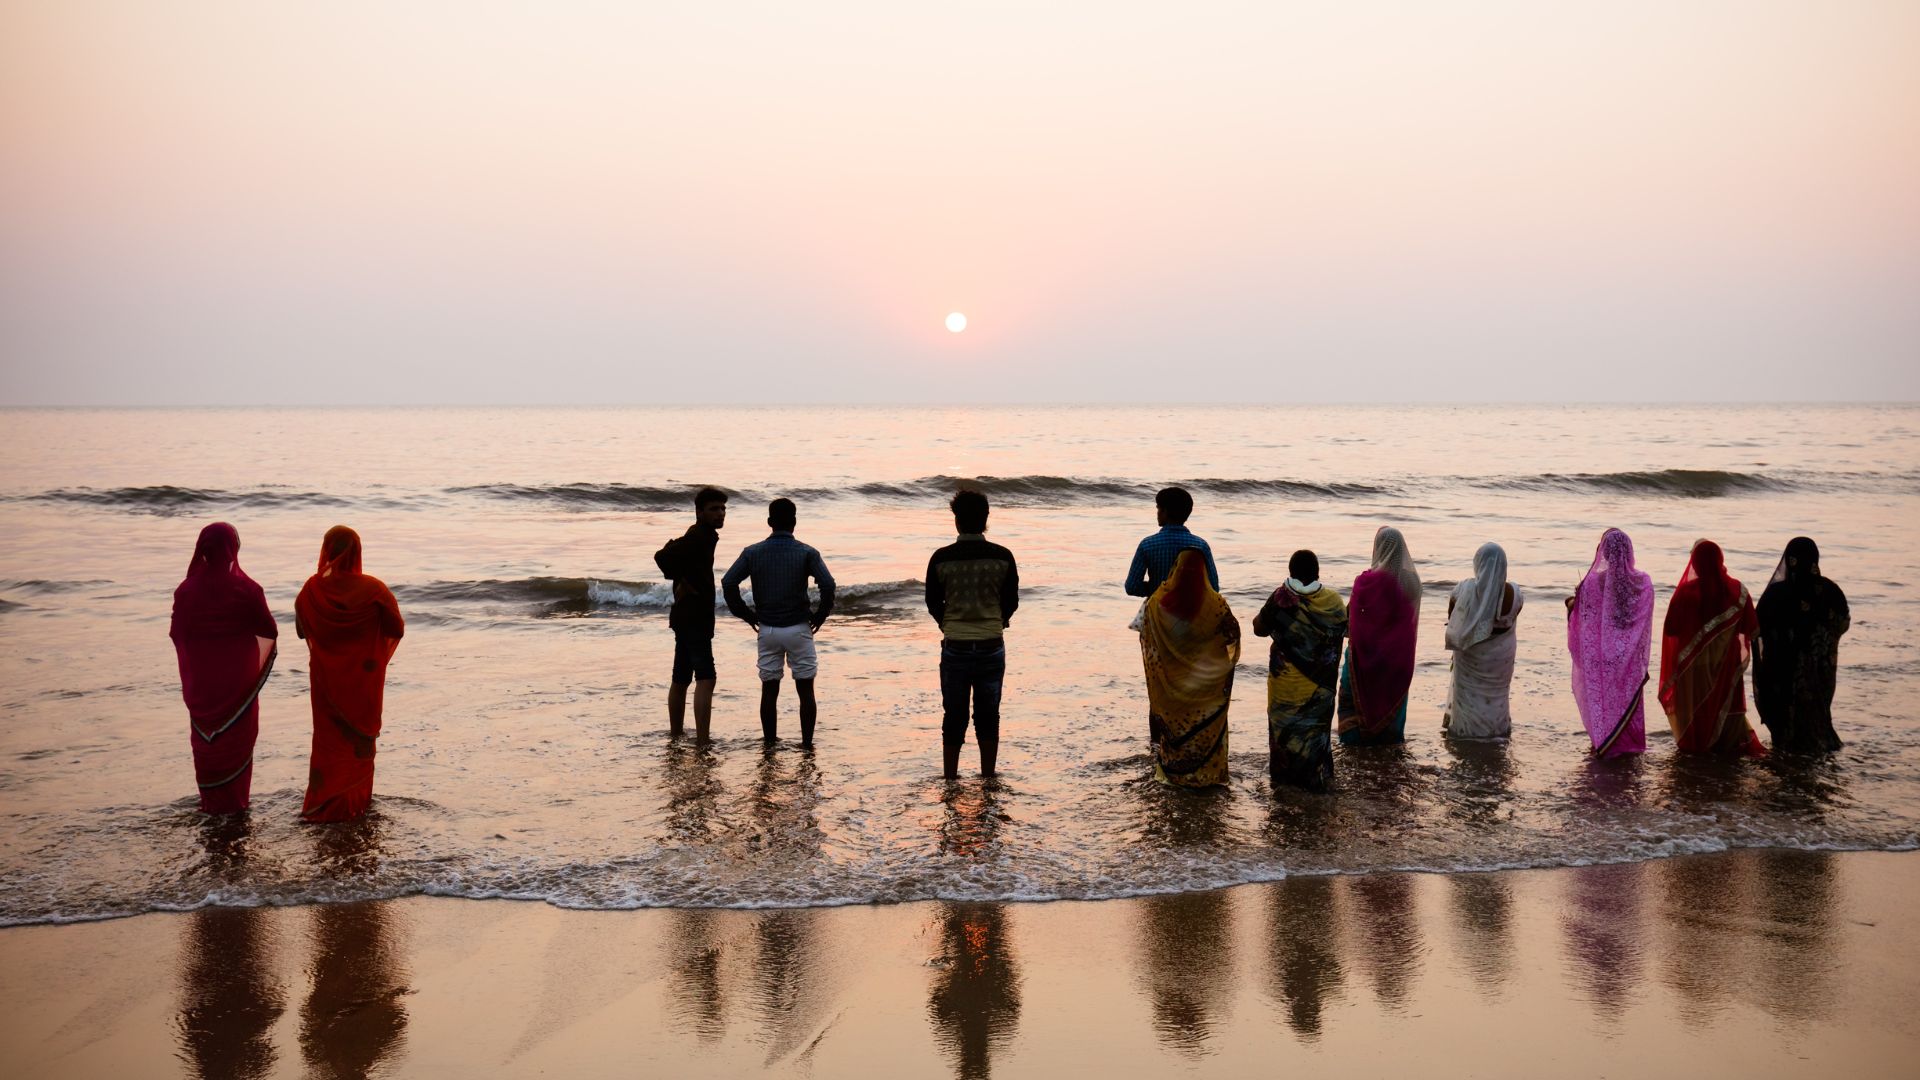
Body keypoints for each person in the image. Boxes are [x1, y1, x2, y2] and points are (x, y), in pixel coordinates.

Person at [296, 526, 404, 823]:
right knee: (358, 746)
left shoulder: (311, 590)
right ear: (357, 552)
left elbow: (300, 629)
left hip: (325, 683)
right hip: (362, 685)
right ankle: (354, 808)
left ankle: (323, 806)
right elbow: (397, 629)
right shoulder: (375, 590)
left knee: (328, 743)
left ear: (326, 552)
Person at [170, 522, 279, 813]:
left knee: (207, 754)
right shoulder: (248, 589)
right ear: (234, 550)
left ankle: (211, 810)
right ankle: (236, 810)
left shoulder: (185, 592)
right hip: (238, 692)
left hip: (202, 691)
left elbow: (177, 635)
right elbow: (269, 631)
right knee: (236, 752)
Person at [722, 497, 836, 748]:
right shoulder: (807, 552)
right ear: (794, 522)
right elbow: (828, 585)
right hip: (798, 627)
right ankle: (807, 745)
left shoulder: (752, 552)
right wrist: (820, 616)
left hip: (768, 628)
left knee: (769, 691)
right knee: (805, 691)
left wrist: (747, 615)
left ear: (769, 522)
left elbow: (728, 583)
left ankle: (770, 744)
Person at [926, 489, 1020, 779]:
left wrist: (948, 623)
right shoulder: (1002, 556)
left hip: (955, 643)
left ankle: (950, 777)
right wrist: (998, 621)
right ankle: (988, 775)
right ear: (986, 519)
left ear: (956, 521)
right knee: (988, 714)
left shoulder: (941, 558)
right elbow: (1011, 600)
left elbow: (932, 601)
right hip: (992, 642)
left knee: (954, 714)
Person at [1140, 548, 1240, 788]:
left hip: (1173, 685)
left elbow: (1146, 636)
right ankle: (1208, 776)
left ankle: (1175, 775)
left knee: (1176, 727)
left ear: (1175, 571)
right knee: (1203, 726)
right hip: (1205, 685)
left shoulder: (1157, 604)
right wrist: (1223, 669)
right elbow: (1232, 637)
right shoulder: (1216, 605)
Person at [1252, 549, 1348, 792]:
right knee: (1316, 733)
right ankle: (1316, 782)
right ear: (1317, 573)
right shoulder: (1334, 602)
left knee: (1284, 734)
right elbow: (1344, 631)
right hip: (1320, 689)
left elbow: (1259, 629)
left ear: (1290, 573)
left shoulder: (1281, 598)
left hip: (1286, 687)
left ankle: (1285, 784)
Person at [1658, 539, 1764, 756]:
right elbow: (1751, 628)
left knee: (1698, 713)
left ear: (1695, 562)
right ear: (1720, 559)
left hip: (1694, 668)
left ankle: (1700, 747)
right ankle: (1727, 747)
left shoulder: (1686, 593)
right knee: (1727, 707)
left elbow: (1671, 629)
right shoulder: (1738, 591)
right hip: (1726, 665)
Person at [1754, 536, 1850, 754]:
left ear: (1790, 559)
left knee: (1786, 726)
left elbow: (1756, 627)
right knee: (1817, 714)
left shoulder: (1777, 593)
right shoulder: (1830, 590)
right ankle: (1817, 752)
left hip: (1783, 673)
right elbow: (1843, 624)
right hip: (1820, 672)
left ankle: (1790, 760)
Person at [1566, 528, 1654, 757]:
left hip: (1599, 657)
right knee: (1625, 702)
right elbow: (1641, 621)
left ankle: (1603, 742)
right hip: (1627, 658)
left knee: (1603, 701)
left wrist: (1572, 605)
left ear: (1603, 551)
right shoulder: (1642, 582)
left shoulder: (1592, 583)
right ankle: (1628, 747)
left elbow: (1584, 621)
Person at [654, 487, 727, 741]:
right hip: (694, 617)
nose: (721, 514)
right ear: (699, 512)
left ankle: (676, 735)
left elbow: (676, 562)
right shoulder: (699, 536)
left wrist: (680, 577)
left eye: (723, 509)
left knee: (681, 677)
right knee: (706, 678)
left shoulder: (703, 535)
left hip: (686, 616)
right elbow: (662, 556)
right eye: (714, 509)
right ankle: (702, 740)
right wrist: (680, 577)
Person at [1338, 526, 1421, 745]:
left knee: (1355, 710)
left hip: (1362, 659)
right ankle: (1389, 746)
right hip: (1397, 660)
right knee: (1390, 704)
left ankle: (1355, 746)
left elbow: (1351, 624)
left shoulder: (1365, 583)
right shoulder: (1412, 582)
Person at [1443, 542, 1524, 738]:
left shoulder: (1463, 590)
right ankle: (1497, 731)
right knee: (1497, 695)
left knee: (1469, 696)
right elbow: (1508, 617)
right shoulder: (1515, 594)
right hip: (1499, 659)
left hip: (1471, 658)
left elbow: (1453, 618)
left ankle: (1467, 733)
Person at [1124, 486, 1220, 598]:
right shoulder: (1201, 545)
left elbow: (1132, 587)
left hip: (1158, 611)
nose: (1157, 513)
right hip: (1189, 612)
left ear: (1164, 511)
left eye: (1158, 508)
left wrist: (1156, 589)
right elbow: (1214, 587)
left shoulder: (1147, 545)